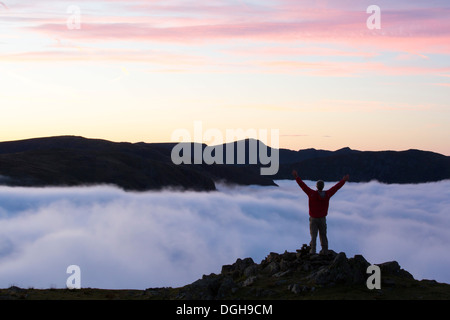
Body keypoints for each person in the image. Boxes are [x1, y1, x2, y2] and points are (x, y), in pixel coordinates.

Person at [292, 170, 349, 255]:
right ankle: (325, 250)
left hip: (313, 218)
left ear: (317, 186)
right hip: (322, 219)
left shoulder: (311, 194)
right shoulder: (327, 194)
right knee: (323, 235)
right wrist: (343, 181)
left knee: (313, 236)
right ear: (323, 186)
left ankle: (313, 251)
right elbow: (336, 187)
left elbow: (303, 186)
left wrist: (297, 177)